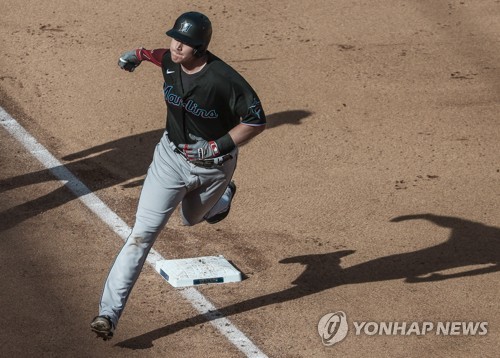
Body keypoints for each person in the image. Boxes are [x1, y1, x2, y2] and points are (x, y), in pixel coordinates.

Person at [90, 11, 266, 340]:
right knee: (142, 234)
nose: (176, 46)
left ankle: (223, 197)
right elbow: (158, 56)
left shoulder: (223, 79)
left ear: (199, 48)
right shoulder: (172, 61)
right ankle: (108, 314)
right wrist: (138, 55)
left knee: (191, 217)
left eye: (184, 43)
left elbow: (256, 119)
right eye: (175, 39)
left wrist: (216, 146)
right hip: (169, 159)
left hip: (213, 168)